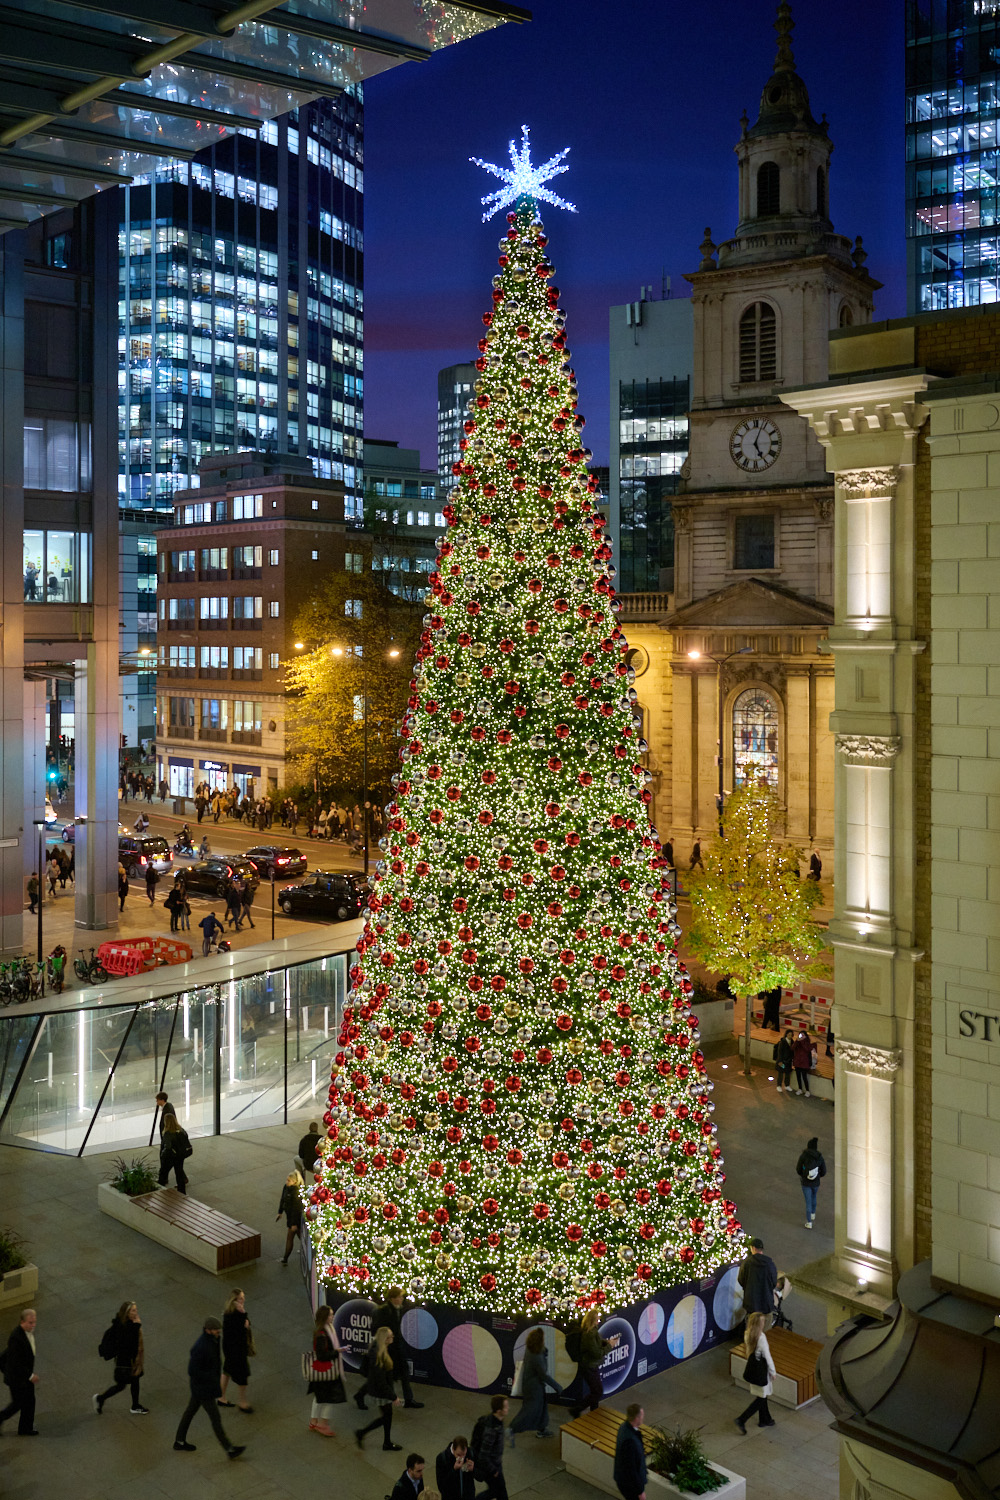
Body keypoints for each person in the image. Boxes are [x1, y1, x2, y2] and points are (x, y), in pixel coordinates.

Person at [173, 1316, 244, 1458]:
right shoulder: (200, 1347)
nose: (219, 1333)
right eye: (216, 1331)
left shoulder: (213, 1340)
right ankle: (229, 1449)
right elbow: (192, 1370)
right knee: (215, 1418)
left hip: (202, 1387)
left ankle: (179, 1441)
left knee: (190, 1411)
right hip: (203, 1389)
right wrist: (210, 1376)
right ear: (208, 1330)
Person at [357, 1288, 423, 1410]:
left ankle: (408, 1399)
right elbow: (376, 1329)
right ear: (393, 1298)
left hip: (397, 1346)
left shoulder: (400, 1308)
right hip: (387, 1348)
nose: (402, 1299)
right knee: (381, 1376)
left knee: (403, 1372)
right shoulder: (383, 1311)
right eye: (400, 1297)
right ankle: (360, 1395)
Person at [93, 1300, 147, 1415]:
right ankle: (101, 1398)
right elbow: (129, 1343)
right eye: (133, 1310)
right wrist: (137, 1325)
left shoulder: (125, 1324)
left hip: (129, 1360)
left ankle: (135, 1405)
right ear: (127, 1313)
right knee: (122, 1385)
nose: (136, 1312)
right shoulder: (125, 1327)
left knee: (132, 1382)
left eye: (136, 1310)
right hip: (126, 1361)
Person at [509, 1327, 561, 1443]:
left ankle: (542, 1429)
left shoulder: (530, 1349)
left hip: (532, 1385)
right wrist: (557, 1386)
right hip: (534, 1388)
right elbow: (543, 1375)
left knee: (542, 1408)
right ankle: (512, 1428)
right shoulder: (536, 1357)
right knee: (529, 1410)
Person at [354, 1325, 402, 1451]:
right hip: (381, 1392)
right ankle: (364, 1433)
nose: (393, 1337)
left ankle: (385, 1441)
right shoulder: (378, 1355)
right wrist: (393, 1396)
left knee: (387, 1416)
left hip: (380, 1390)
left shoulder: (380, 1349)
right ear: (385, 1339)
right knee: (387, 1416)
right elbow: (380, 1380)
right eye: (390, 1336)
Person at [570, 1308, 619, 1418]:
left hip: (590, 1365)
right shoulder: (589, 1334)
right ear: (592, 1320)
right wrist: (610, 1346)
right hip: (589, 1366)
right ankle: (577, 1409)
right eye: (597, 1319)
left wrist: (605, 1342)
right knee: (598, 1392)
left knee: (594, 1390)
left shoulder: (590, 1331)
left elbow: (594, 1345)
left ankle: (594, 1412)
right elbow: (596, 1353)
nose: (599, 1321)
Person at [734, 1312, 776, 1433]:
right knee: (761, 1398)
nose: (764, 1323)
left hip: (753, 1367)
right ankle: (742, 1419)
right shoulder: (761, 1337)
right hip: (761, 1370)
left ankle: (765, 1419)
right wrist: (773, 1371)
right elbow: (767, 1356)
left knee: (762, 1395)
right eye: (762, 1321)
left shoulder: (748, 1334)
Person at [0, 1308, 39, 1436]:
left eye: (34, 1322)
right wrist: (30, 1375)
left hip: (23, 1376)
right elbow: (16, 1362)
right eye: (30, 1323)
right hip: (18, 1378)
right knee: (18, 1403)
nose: (33, 1325)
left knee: (29, 1402)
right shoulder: (16, 1337)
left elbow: (7, 1354)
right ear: (22, 1322)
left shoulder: (24, 1334)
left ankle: (25, 1428)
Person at [307, 1304, 342, 1438]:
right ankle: (323, 1424)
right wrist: (336, 1352)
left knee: (319, 1396)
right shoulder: (323, 1334)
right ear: (325, 1317)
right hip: (326, 1370)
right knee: (329, 1398)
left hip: (319, 1370)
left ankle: (313, 1421)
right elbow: (322, 1355)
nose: (333, 1316)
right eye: (331, 1314)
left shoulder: (322, 1330)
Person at [219, 1288, 253, 1412]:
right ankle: (242, 1402)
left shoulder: (229, 1313)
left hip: (230, 1349)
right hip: (236, 1351)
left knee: (227, 1371)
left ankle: (221, 1397)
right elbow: (242, 1329)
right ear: (234, 1300)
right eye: (240, 1298)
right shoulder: (235, 1315)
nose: (243, 1300)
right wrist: (244, 1314)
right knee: (243, 1375)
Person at [471, 1395, 509, 1500]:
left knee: (499, 1491)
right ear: (498, 1410)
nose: (508, 1409)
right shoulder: (491, 1430)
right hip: (492, 1467)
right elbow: (483, 1455)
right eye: (505, 1407)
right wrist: (494, 1471)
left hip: (495, 1464)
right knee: (496, 1492)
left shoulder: (496, 1421)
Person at [613, 1403, 647, 1500]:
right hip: (629, 1485)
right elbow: (630, 1469)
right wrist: (640, 1491)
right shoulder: (630, 1441)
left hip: (624, 1480)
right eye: (642, 1416)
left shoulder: (624, 1427)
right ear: (637, 1418)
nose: (643, 1418)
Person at [738, 1238, 777, 1315]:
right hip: (766, 1302)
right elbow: (774, 1281)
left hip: (751, 1303)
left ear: (753, 1248)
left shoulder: (747, 1263)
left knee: (752, 1325)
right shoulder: (769, 1263)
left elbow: (741, 1280)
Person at [796, 1135, 827, 1229]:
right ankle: (813, 1213)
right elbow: (824, 1171)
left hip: (805, 1183)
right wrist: (817, 1176)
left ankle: (809, 1222)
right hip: (816, 1183)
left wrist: (803, 1175)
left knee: (808, 1201)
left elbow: (798, 1169)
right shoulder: (819, 1157)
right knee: (814, 1197)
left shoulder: (803, 1156)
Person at [435, 1435, 477, 1500]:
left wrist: (473, 1469)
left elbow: (481, 1477)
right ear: (453, 1449)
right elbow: (441, 1486)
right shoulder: (442, 1458)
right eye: (459, 1455)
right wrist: (454, 1470)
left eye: (464, 1454)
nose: (462, 1458)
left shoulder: (470, 1453)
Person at [159, 1112, 192, 1193]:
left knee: (163, 1172)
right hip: (181, 1155)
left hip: (171, 1156)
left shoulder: (168, 1133)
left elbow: (168, 1147)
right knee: (179, 1172)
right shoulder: (181, 1130)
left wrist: (163, 1155)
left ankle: (160, 1189)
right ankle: (182, 1192)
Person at [276, 1171, 303, 1265]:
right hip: (291, 1217)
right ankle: (309, 1251)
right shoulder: (286, 1187)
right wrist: (280, 1212)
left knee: (290, 1238)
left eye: (289, 1181)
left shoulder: (295, 1193)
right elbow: (282, 1199)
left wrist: (294, 1224)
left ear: (294, 1182)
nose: (286, 1182)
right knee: (301, 1237)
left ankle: (285, 1258)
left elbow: (296, 1210)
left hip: (295, 1219)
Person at [791, 1027, 814, 1097]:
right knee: (798, 1076)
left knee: (804, 1077)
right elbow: (792, 1048)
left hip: (804, 1063)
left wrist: (802, 1041)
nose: (801, 1037)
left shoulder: (807, 1042)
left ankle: (807, 1090)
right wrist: (797, 1041)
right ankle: (800, 1089)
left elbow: (807, 1049)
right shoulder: (797, 1042)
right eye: (800, 1035)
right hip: (798, 1062)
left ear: (806, 1036)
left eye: (803, 1035)